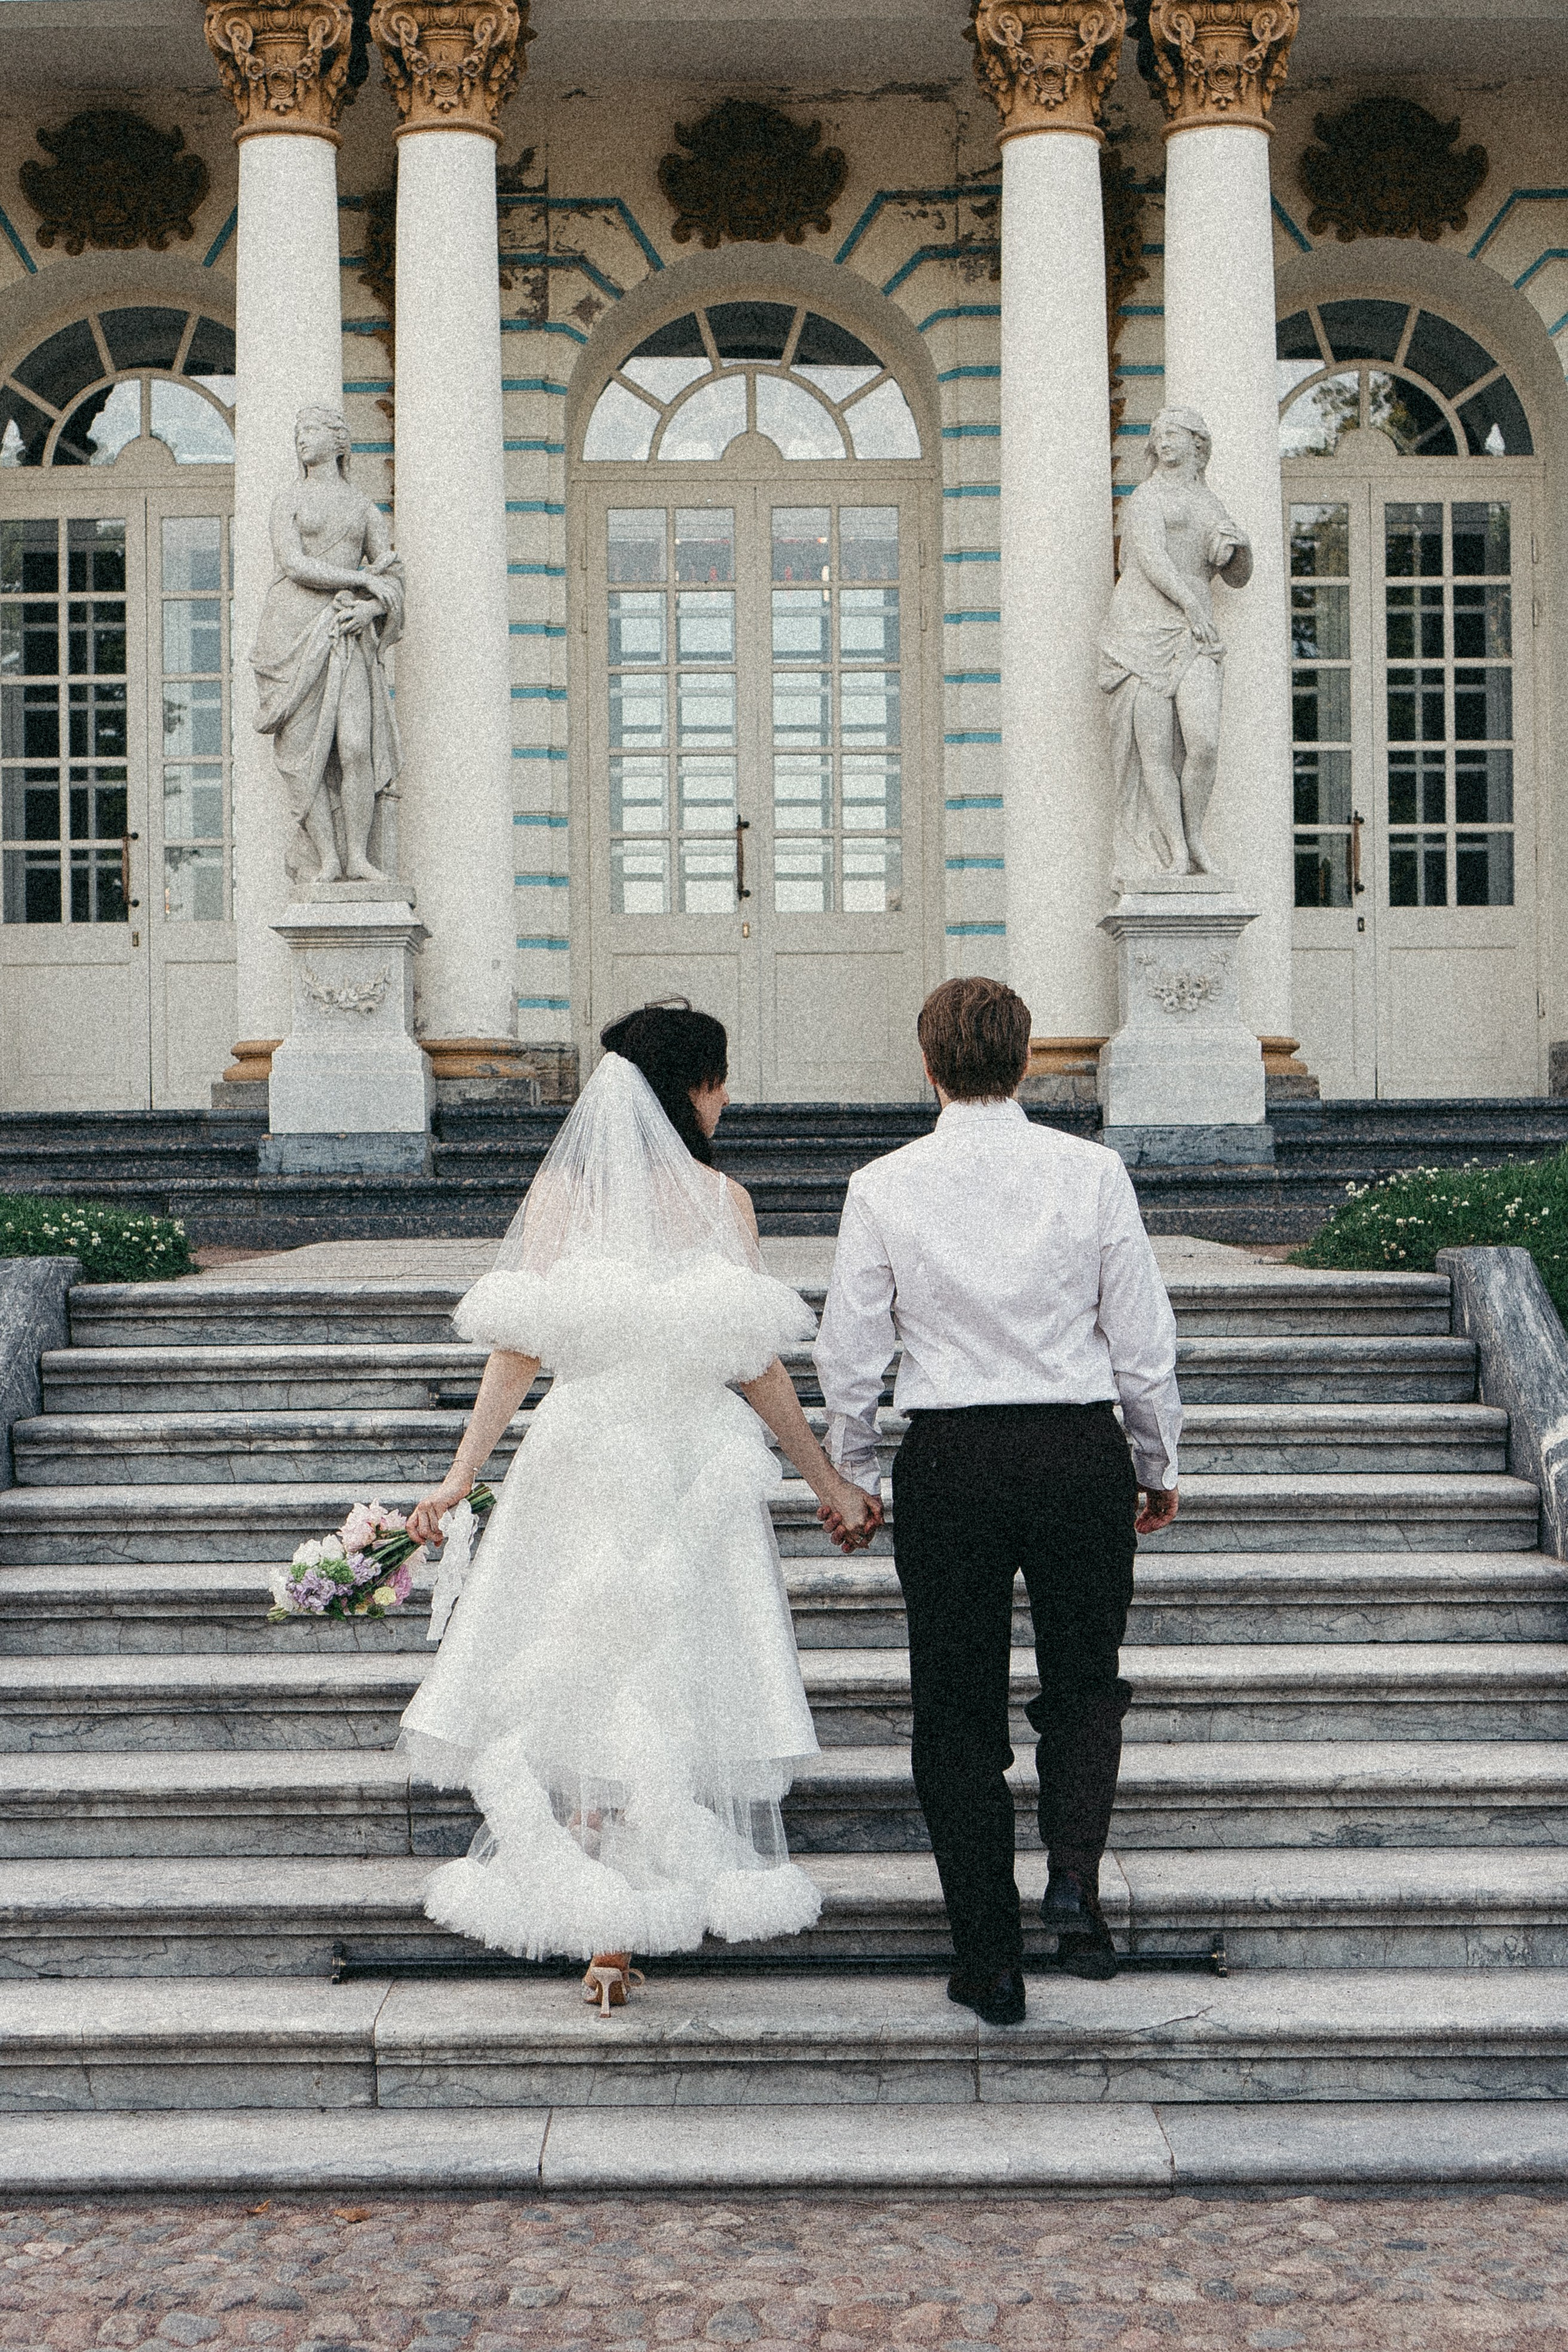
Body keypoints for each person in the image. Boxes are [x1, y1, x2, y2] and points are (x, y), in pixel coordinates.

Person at [401, 1003, 878, 2013]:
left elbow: (517, 1352)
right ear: (690, 1088)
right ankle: (619, 1918)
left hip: (583, 1454)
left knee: (587, 1672)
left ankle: (603, 1923)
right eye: (719, 1079)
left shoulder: (560, 1201)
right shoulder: (722, 1203)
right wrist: (825, 1479)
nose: (727, 1098)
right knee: (663, 1680)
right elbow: (755, 1369)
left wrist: (460, 1475)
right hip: (684, 1466)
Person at [814, 976, 1182, 2026]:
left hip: (954, 1457)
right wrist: (1154, 1461)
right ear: (1026, 1064)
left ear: (929, 1067)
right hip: (1074, 1446)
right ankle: (1074, 1885)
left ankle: (990, 1954)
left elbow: (852, 1355)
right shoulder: (1093, 1172)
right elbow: (1142, 1339)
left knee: (956, 1707)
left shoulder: (884, 1184)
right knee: (1086, 1679)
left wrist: (857, 1474)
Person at [251, 402, 404, 886]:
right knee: (302, 754)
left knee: (356, 746)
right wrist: (360, 579)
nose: (302, 438)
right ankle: (328, 858)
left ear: (339, 442)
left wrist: (371, 608)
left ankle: (357, 856)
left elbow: (394, 576)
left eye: (312, 429)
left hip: (346, 631)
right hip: (290, 631)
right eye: (299, 431)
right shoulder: (288, 500)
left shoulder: (362, 507)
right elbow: (293, 564)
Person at [1099, 405, 1252, 883]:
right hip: (1142, 628)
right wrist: (1193, 607)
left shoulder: (1211, 504)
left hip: (1193, 630)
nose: (1163, 441)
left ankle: (1195, 834)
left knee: (1204, 742)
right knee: (1155, 752)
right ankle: (1177, 854)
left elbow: (1239, 578)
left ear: (1197, 443)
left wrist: (1241, 547)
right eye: (1157, 434)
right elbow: (1151, 560)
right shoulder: (1146, 497)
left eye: (1173, 433)